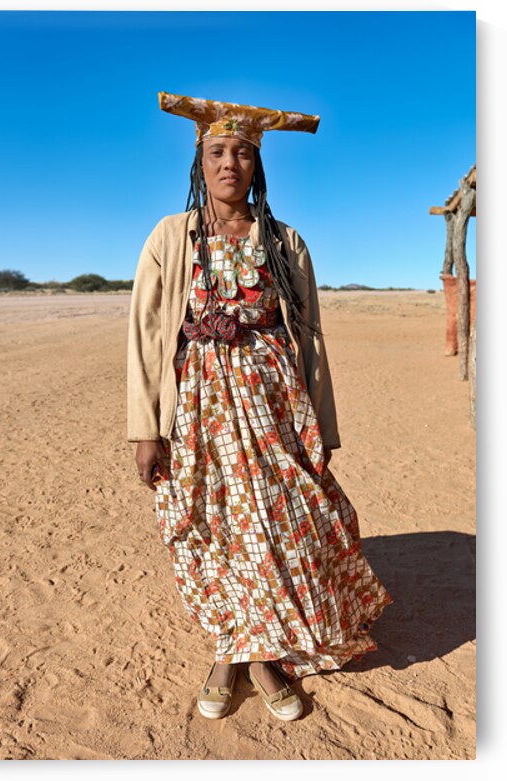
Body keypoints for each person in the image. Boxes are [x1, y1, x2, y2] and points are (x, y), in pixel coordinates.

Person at [127, 91, 394, 722]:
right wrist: (145, 428)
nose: (230, 164)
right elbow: (142, 334)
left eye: (242, 153)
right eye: (217, 151)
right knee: (215, 526)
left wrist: (320, 425)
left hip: (275, 406)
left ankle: (261, 652)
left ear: (257, 165)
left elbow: (312, 338)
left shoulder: (284, 240)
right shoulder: (172, 236)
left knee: (281, 522)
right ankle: (237, 652)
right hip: (198, 408)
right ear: (200, 161)